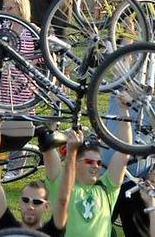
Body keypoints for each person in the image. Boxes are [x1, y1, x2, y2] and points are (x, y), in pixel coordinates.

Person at [48, 98, 131, 237]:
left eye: (98, 163)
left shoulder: (106, 188)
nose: (95, 166)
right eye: (89, 161)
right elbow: (48, 148)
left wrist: (124, 110)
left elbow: (124, 152)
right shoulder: (63, 185)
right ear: (76, 163)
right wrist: (70, 151)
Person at [0, 121, 62, 235]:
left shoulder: (52, 231)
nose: (30, 206)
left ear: (46, 206)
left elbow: (61, 190)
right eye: (26, 200)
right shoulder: (7, 226)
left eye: (36, 202)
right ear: (20, 202)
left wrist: (46, 138)